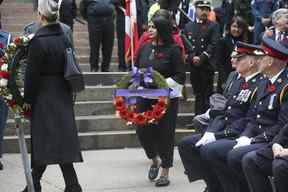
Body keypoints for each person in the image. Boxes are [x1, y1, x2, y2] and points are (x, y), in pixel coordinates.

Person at [203, 37, 288, 192]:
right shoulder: (264, 83)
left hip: (269, 138)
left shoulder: (284, 87)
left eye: (261, 58)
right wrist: (246, 136)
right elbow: (253, 117)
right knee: (214, 150)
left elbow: (282, 124)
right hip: (257, 136)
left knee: (240, 157)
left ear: (270, 62)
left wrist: (253, 139)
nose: (257, 61)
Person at [178, 42, 264, 192]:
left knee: (210, 150)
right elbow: (224, 112)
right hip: (226, 127)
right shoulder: (238, 82)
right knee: (187, 144)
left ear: (251, 62)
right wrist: (211, 131)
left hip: (239, 133)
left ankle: (227, 187)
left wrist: (219, 135)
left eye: (238, 57)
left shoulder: (259, 84)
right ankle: (212, 183)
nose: (234, 60)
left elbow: (249, 119)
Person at [21, 0, 83, 191]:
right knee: (60, 141)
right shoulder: (64, 35)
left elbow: (31, 77)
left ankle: (35, 184)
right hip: (62, 92)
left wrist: (27, 101)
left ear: (40, 15)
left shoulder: (38, 41)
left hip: (44, 96)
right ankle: (70, 185)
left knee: (45, 142)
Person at [135, 15, 186, 187]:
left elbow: (180, 76)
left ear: (162, 30)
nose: (149, 30)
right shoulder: (144, 47)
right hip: (144, 95)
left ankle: (165, 171)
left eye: (153, 27)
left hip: (166, 97)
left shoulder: (174, 49)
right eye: (149, 26)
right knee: (141, 128)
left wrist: (160, 84)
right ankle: (154, 159)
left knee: (166, 133)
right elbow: (136, 68)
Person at [183, 0, 220, 115]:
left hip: (206, 65)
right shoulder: (188, 26)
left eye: (206, 9)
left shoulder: (213, 25)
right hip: (194, 65)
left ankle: (206, 118)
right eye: (201, 9)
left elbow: (213, 44)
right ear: (196, 9)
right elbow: (186, 45)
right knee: (197, 93)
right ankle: (197, 117)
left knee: (207, 93)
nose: (204, 12)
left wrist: (202, 57)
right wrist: (192, 57)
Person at [214, 16, 249, 93]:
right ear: (229, 27)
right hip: (225, 77)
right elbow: (219, 62)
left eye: (239, 27)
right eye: (234, 26)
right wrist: (224, 80)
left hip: (242, 79)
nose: (236, 30)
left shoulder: (246, 43)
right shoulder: (222, 41)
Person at [80, 0, 115, 72]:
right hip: (94, 21)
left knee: (108, 46)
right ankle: (94, 67)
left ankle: (106, 67)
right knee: (94, 46)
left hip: (109, 20)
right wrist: (89, 18)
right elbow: (82, 7)